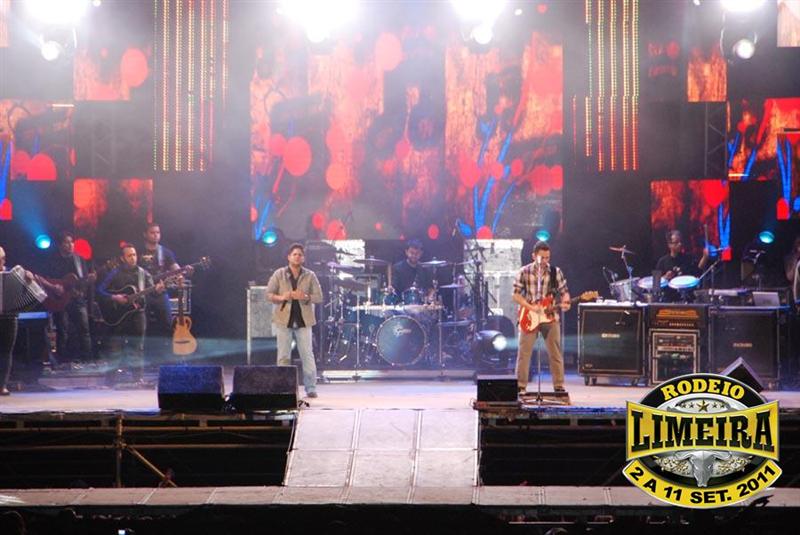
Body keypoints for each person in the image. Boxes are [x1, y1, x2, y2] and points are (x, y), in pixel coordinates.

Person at [97, 244, 164, 385]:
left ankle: (137, 379)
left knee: (137, 347)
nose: (133, 258)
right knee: (114, 348)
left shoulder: (144, 274)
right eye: (129, 255)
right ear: (122, 258)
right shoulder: (115, 273)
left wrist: (158, 291)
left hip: (138, 315)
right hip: (118, 316)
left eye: (134, 255)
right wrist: (114, 297)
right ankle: (110, 381)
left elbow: (153, 295)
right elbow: (100, 291)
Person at [512, 240, 571, 395]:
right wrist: (531, 308)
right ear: (534, 256)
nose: (545, 261)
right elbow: (516, 295)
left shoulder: (555, 272)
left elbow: (564, 291)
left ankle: (559, 386)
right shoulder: (524, 271)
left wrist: (565, 301)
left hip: (549, 316)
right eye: (542, 257)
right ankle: (521, 386)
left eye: (547, 258)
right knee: (524, 353)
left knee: (555, 352)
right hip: (529, 316)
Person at [266, 243, 323, 398]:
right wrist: (282, 297)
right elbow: (268, 294)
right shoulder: (279, 274)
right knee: (283, 355)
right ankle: (283, 388)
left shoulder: (310, 275)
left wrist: (305, 296)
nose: (297, 257)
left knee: (307, 355)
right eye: (294, 254)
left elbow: (319, 297)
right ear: (288, 257)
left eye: (300, 255)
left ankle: (311, 388)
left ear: (303, 258)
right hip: (284, 320)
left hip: (304, 320)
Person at [139, 223, 190, 359]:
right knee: (142, 325)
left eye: (158, 232)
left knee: (168, 323)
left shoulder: (165, 252)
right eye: (152, 232)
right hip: (143, 294)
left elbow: (177, 269)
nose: (156, 235)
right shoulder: (138, 251)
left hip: (160, 293)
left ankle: (167, 355)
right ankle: (142, 355)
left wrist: (184, 272)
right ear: (145, 234)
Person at [46, 231, 95, 366]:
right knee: (62, 330)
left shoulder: (79, 260)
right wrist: (57, 288)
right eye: (66, 242)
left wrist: (87, 282)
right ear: (60, 245)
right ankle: (62, 360)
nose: (70, 245)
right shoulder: (53, 260)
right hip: (60, 300)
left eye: (71, 242)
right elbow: (48, 279)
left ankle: (87, 359)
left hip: (77, 300)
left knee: (84, 330)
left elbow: (82, 280)